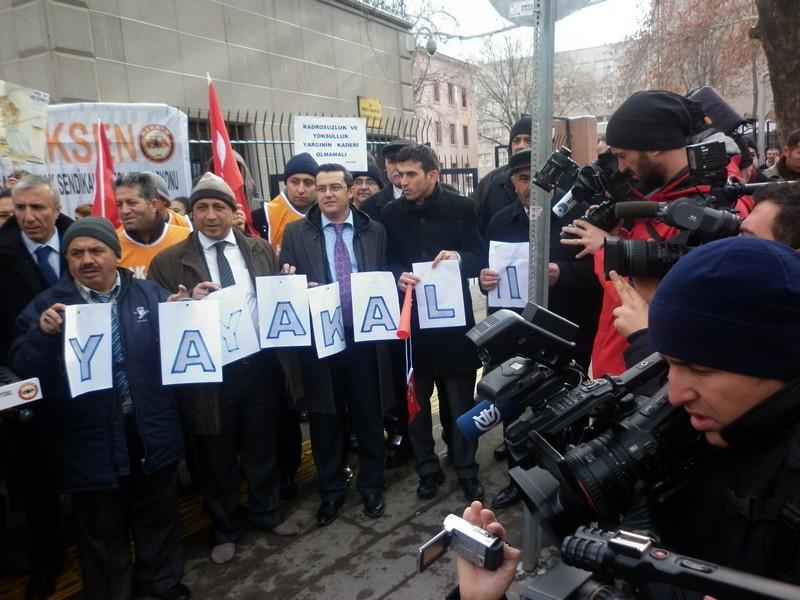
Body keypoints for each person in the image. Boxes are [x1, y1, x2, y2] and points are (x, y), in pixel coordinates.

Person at [9, 217, 190, 600]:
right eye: (76, 253)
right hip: (87, 440)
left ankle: (161, 584)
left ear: (116, 254)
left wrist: (184, 311)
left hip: (148, 429)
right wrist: (43, 336)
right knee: (101, 530)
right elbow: (23, 372)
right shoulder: (48, 306)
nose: (86, 260)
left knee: (157, 517)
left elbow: (179, 350)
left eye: (96, 251)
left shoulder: (148, 294)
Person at [148, 172, 302, 565]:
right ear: (192, 214)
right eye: (202, 207)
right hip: (210, 374)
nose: (211, 215)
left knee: (260, 443)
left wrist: (288, 285)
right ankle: (225, 528)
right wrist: (183, 304)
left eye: (219, 206)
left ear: (234, 212)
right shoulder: (167, 262)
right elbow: (158, 318)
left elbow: (273, 298)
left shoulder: (259, 249)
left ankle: (266, 512)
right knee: (215, 453)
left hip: (259, 366)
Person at [478, 149, 601, 510]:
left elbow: (599, 276)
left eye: (536, 176)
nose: (531, 185)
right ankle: (520, 477)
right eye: (521, 178)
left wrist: (562, 274)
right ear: (512, 183)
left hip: (566, 328)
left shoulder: (577, 219)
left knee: (567, 405)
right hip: (519, 331)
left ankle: (569, 479)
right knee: (514, 404)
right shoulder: (501, 220)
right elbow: (493, 275)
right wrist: (486, 282)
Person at [561, 90, 712, 377]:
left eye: (623, 155)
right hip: (619, 370)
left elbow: (649, 299)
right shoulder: (654, 201)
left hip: (645, 376)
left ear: (654, 146)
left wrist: (603, 248)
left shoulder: (697, 214)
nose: (620, 167)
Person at [280, 163, 393, 526]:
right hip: (321, 340)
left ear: (349, 191)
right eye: (320, 187)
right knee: (326, 420)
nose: (327, 193)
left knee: (367, 415)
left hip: (364, 336)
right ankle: (331, 492)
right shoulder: (297, 233)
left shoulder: (374, 231)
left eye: (334, 187)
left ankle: (371, 485)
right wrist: (295, 286)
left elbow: (386, 275)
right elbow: (285, 284)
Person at [382, 144, 485, 502]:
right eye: (399, 174)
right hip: (413, 329)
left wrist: (459, 258)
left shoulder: (462, 207)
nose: (403, 181)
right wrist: (398, 276)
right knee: (417, 406)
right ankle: (427, 470)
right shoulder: (390, 214)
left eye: (411, 175)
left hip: (455, 329)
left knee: (461, 404)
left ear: (433, 176)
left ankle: (466, 467)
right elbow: (386, 261)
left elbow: (479, 256)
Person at [0, 174, 71, 599]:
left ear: (56, 209)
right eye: (20, 208)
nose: (28, 216)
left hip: (85, 379)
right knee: (36, 477)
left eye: (37, 208)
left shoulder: (83, 243)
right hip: (25, 384)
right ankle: (47, 559)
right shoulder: (3, 257)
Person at [115, 172, 190, 278]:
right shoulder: (113, 247)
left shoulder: (187, 238)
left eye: (132, 203)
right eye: (119, 205)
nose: (124, 210)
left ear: (154, 205)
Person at [251, 152, 318, 256]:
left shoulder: (326, 213)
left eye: (308, 183)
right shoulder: (263, 216)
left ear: (317, 186)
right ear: (286, 183)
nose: (301, 189)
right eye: (295, 182)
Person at [473, 116, 532, 236]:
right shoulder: (491, 182)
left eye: (528, 140)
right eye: (516, 140)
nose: (521, 145)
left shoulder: (560, 179)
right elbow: (478, 226)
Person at [359, 139, 412, 221]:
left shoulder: (434, 201)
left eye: (403, 161)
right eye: (392, 162)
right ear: (385, 166)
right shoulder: (369, 206)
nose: (398, 168)